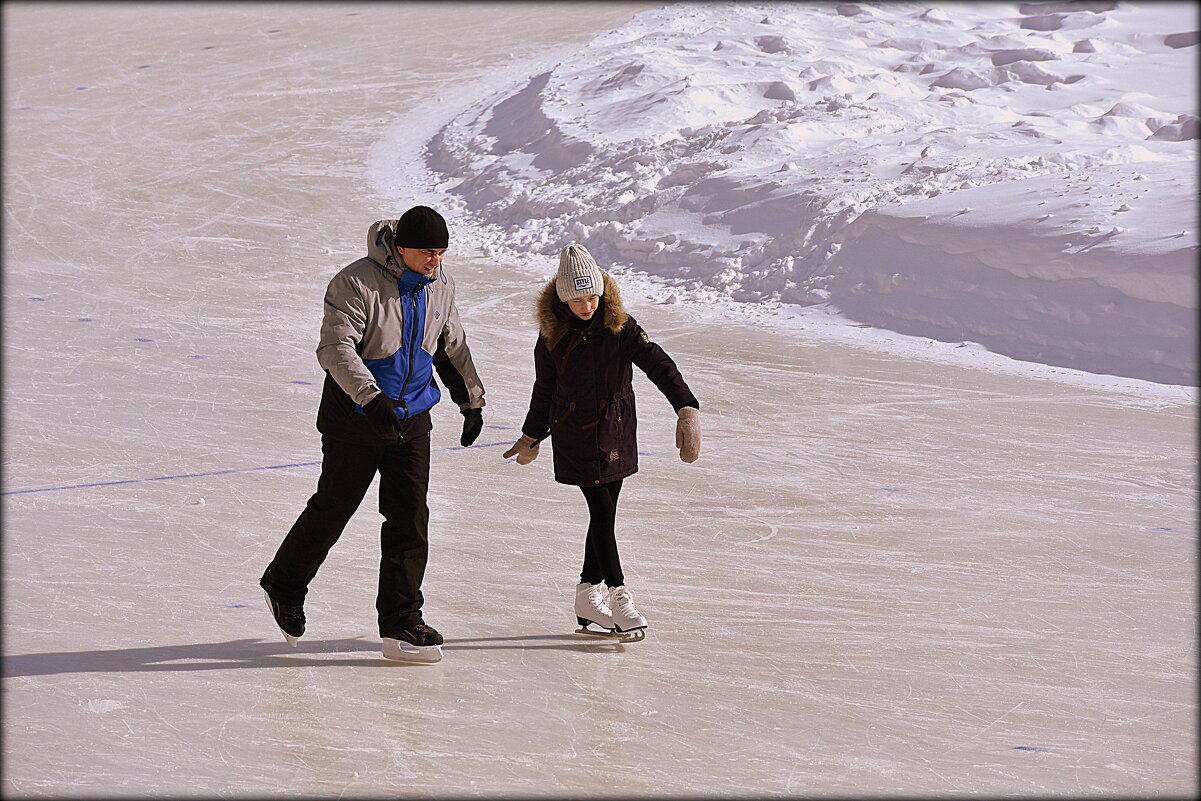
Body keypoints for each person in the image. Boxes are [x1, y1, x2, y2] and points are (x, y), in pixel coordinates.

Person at [261, 205, 485, 663]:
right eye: (427, 252)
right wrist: (371, 398)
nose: (435, 261)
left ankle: (401, 620)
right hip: (355, 416)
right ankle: (283, 584)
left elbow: (450, 344)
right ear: (400, 247)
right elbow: (334, 347)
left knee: (409, 518)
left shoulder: (440, 284)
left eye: (441, 253)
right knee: (335, 507)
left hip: (412, 418)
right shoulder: (356, 283)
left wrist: (471, 400)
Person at [503, 243, 700, 637]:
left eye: (592, 296)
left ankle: (586, 596)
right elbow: (545, 390)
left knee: (604, 515)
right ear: (562, 297)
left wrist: (686, 407)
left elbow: (659, 364)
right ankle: (618, 593)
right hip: (575, 435)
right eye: (577, 299)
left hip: (616, 430)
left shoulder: (621, 326)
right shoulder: (552, 338)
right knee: (602, 513)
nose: (586, 305)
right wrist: (531, 435)